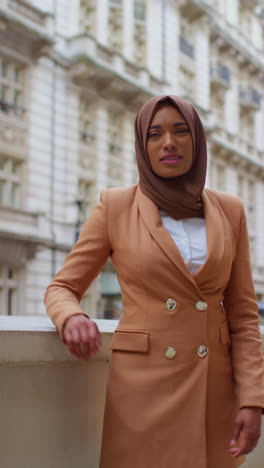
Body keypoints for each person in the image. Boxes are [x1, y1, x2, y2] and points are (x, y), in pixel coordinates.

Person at [45, 95, 264, 468]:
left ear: (196, 140)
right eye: (154, 134)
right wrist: (72, 317)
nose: (168, 143)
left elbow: (243, 316)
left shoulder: (230, 210)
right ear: (141, 145)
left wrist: (253, 399)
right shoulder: (116, 206)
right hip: (142, 391)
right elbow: (62, 287)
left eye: (181, 131)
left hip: (213, 389)